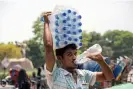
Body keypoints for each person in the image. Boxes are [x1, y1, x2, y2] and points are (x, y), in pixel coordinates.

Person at [43, 12, 114, 89]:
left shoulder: (84, 74)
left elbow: (108, 77)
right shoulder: (55, 75)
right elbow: (48, 46)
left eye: (75, 53)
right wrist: (46, 23)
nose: (74, 57)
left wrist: (101, 62)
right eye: (69, 54)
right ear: (60, 58)